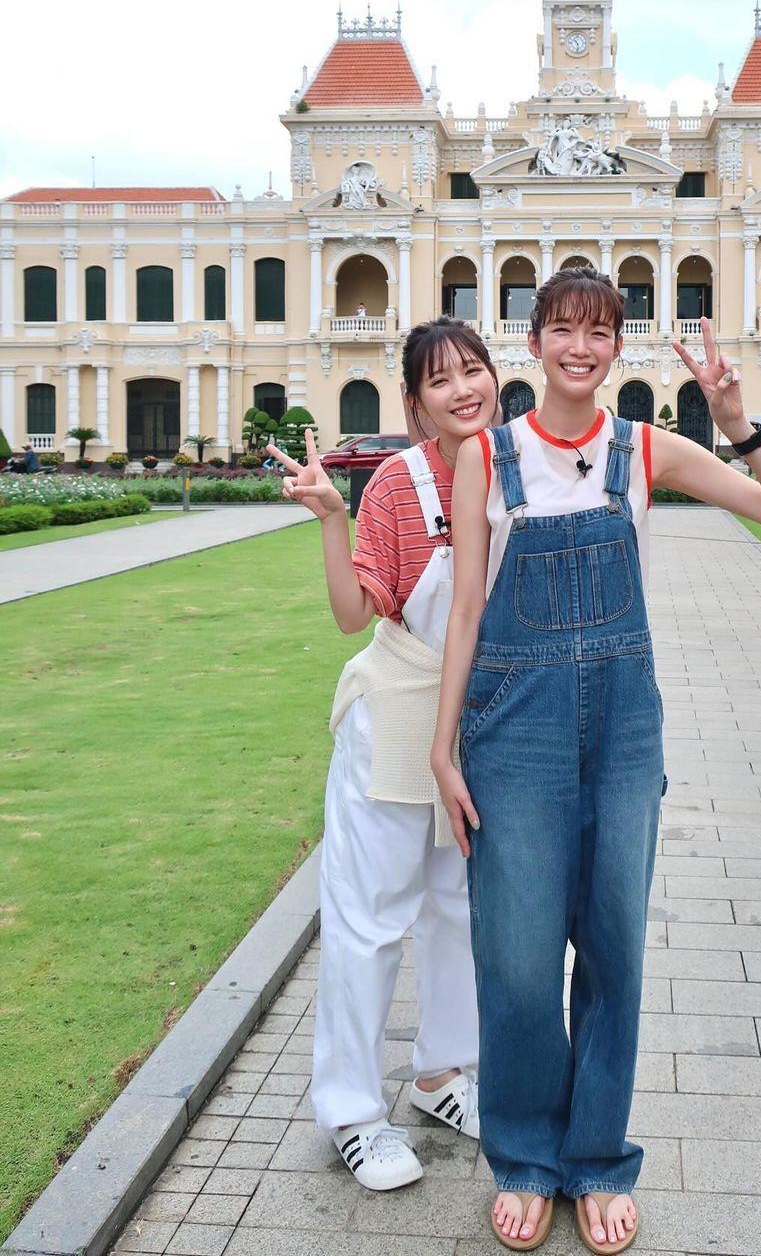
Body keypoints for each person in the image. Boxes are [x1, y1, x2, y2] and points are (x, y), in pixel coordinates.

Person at [430, 267, 761, 1252]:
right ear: (534, 343)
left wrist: (741, 423)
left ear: (618, 347)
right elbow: (468, 608)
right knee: (515, 958)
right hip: (512, 727)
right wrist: (443, 747)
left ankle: (596, 1159)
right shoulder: (489, 452)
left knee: (612, 948)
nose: (580, 347)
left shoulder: (646, 448)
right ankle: (524, 1156)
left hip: (622, 731)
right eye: (562, 328)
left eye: (599, 331)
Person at [268, 318, 500, 1191]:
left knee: (461, 911)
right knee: (369, 921)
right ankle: (354, 1113)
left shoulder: (513, 466)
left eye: (474, 370)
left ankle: (442, 1076)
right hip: (399, 717)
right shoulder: (401, 485)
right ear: (414, 404)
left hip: (482, 722)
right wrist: (334, 515)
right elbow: (353, 614)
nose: (462, 389)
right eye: (440, 380)